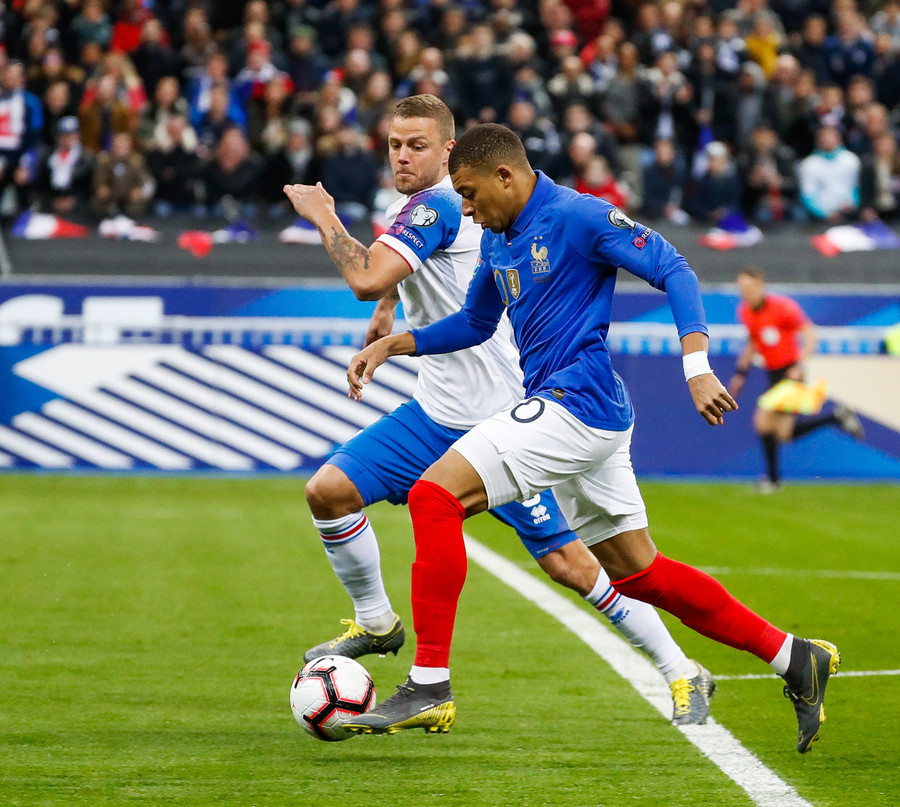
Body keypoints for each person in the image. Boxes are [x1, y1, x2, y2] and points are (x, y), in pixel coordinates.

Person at [341, 123, 840, 754]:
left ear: (504, 176)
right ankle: (793, 656)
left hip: (576, 403)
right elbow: (474, 322)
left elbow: (674, 268)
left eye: (468, 193)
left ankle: (428, 684)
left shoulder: (578, 216)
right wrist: (396, 343)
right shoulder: (497, 238)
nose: (464, 209)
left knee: (433, 496)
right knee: (638, 574)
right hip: (579, 414)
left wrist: (696, 366)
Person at [284, 95, 716, 726]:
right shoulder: (437, 208)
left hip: (497, 422)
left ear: (448, 151)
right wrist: (390, 315)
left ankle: (680, 668)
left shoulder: (439, 206)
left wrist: (325, 217)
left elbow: (370, 275)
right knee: (329, 492)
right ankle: (377, 622)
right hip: (434, 413)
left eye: (417, 146)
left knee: (574, 565)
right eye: (395, 145)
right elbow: (411, 277)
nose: (403, 156)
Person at [727, 268, 865, 492]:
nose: (745, 292)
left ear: (760, 285)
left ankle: (772, 481)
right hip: (773, 373)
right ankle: (834, 417)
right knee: (783, 433)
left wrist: (800, 365)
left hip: (790, 373)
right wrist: (741, 373)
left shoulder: (782, 307)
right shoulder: (745, 312)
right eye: (741, 288)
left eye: (749, 287)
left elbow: (809, 333)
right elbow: (753, 342)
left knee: (762, 422)